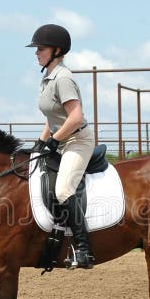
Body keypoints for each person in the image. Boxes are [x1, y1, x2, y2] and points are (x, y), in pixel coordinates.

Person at [26, 24, 95, 269]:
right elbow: (52, 118)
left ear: (56, 50)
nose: (36, 53)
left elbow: (75, 117)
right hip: (61, 140)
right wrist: (40, 143)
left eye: (41, 49)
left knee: (64, 190)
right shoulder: (47, 78)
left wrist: (55, 141)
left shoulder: (63, 78)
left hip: (77, 141)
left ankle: (84, 251)